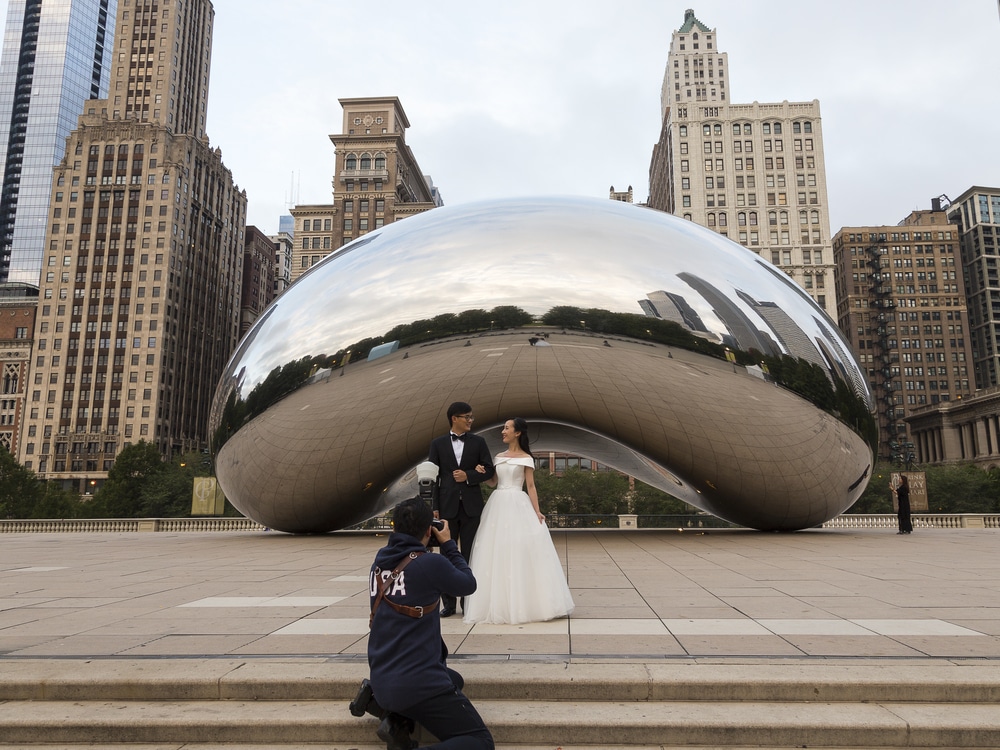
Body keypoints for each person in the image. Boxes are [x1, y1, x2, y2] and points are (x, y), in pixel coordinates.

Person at [362, 497, 494, 750]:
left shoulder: (379, 562)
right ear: (428, 530)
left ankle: (393, 718)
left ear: (394, 529)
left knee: (454, 679)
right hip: (418, 684)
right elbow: (468, 583)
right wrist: (448, 544)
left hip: (383, 677)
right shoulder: (429, 563)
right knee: (480, 742)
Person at [463, 417, 575, 625]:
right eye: (503, 428)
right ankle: (498, 604)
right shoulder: (498, 457)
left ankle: (526, 603)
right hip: (497, 503)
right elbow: (493, 482)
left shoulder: (526, 458)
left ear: (518, 433)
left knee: (519, 549)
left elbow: (530, 486)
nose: (503, 432)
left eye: (507, 428)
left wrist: (537, 511)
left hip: (517, 502)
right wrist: (482, 474)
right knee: (496, 550)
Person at [427, 401, 495, 617]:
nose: (470, 421)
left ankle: (469, 603)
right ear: (454, 418)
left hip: (472, 507)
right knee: (446, 555)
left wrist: (469, 476)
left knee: (470, 554)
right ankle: (448, 604)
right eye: (467, 417)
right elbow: (432, 478)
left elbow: (490, 470)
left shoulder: (479, 442)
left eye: (471, 417)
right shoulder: (437, 444)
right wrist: (434, 508)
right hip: (446, 508)